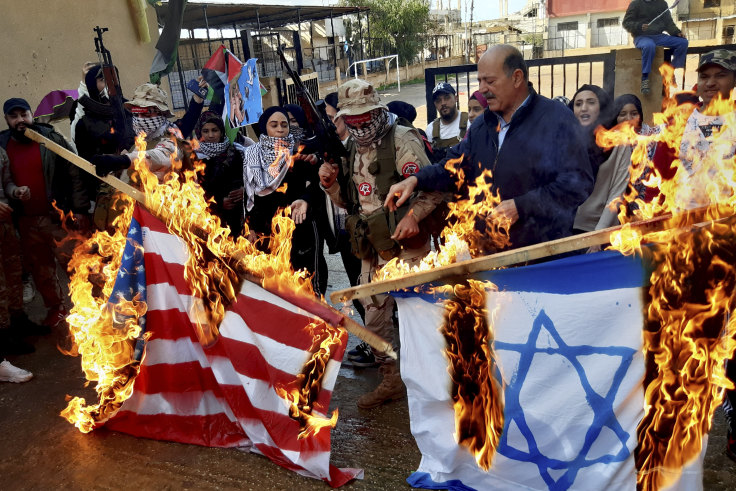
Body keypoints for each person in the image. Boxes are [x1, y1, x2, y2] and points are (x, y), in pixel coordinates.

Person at [385, 45, 593, 252]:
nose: (482, 89)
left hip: (540, 255)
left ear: (517, 77)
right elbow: (451, 167)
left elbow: (578, 184)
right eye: (480, 81)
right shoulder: (482, 126)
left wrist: (522, 206)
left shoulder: (556, 119)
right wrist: (416, 179)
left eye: (490, 81)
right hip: (489, 254)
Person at [318, 79, 443, 408]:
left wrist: (413, 215)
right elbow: (352, 202)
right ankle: (391, 380)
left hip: (410, 246)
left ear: (377, 111)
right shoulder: (352, 149)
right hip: (373, 248)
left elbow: (433, 188)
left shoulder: (401, 139)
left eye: (363, 119)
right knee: (373, 320)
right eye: (351, 121)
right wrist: (330, 185)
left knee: (422, 315)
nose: (358, 127)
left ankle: (438, 379)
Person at [1, 98, 90, 329]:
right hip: (27, 221)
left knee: (76, 265)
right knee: (42, 272)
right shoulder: (2, 146)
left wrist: (80, 210)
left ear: (32, 115)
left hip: (57, 219)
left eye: (24, 114)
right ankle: (57, 311)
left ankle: (91, 309)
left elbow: (74, 173)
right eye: (14, 116)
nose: (20, 120)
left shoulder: (50, 139)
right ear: (7, 120)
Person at [243, 107, 327, 296]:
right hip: (268, 230)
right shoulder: (252, 156)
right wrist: (252, 228)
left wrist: (305, 200)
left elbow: (319, 185)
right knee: (277, 286)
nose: (280, 129)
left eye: (284, 125)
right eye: (274, 125)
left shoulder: (301, 151)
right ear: (265, 128)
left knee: (308, 284)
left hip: (300, 226)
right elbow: (250, 197)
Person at [569, 85, 632, 236]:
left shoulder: (619, 141)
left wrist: (598, 235)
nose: (584, 108)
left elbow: (617, 193)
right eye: (578, 104)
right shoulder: (566, 139)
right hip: (566, 227)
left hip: (600, 230)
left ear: (601, 107)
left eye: (591, 102)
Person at [91, 83, 184, 182]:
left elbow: (158, 157)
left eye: (146, 114)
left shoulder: (172, 139)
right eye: (136, 113)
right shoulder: (142, 141)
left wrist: (123, 160)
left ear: (162, 114)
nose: (139, 119)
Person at [194, 111, 249, 237]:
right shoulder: (195, 159)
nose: (211, 135)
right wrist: (218, 201)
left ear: (221, 131)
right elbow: (195, 192)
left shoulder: (237, 153)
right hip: (213, 221)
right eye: (206, 131)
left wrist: (244, 190)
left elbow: (252, 179)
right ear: (199, 133)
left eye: (215, 130)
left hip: (242, 217)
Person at [623, 0, 688, 95]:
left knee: (683, 43)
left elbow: (668, 23)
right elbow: (626, 23)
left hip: (659, 36)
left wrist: (677, 32)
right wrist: (639, 26)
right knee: (649, 46)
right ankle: (645, 78)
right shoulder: (636, 3)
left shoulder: (662, 3)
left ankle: (670, 71)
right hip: (641, 37)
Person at [426, 82, 469, 158]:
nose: (443, 103)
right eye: (438, 100)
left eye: (447, 98)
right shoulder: (431, 129)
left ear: (456, 98)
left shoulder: (469, 122)